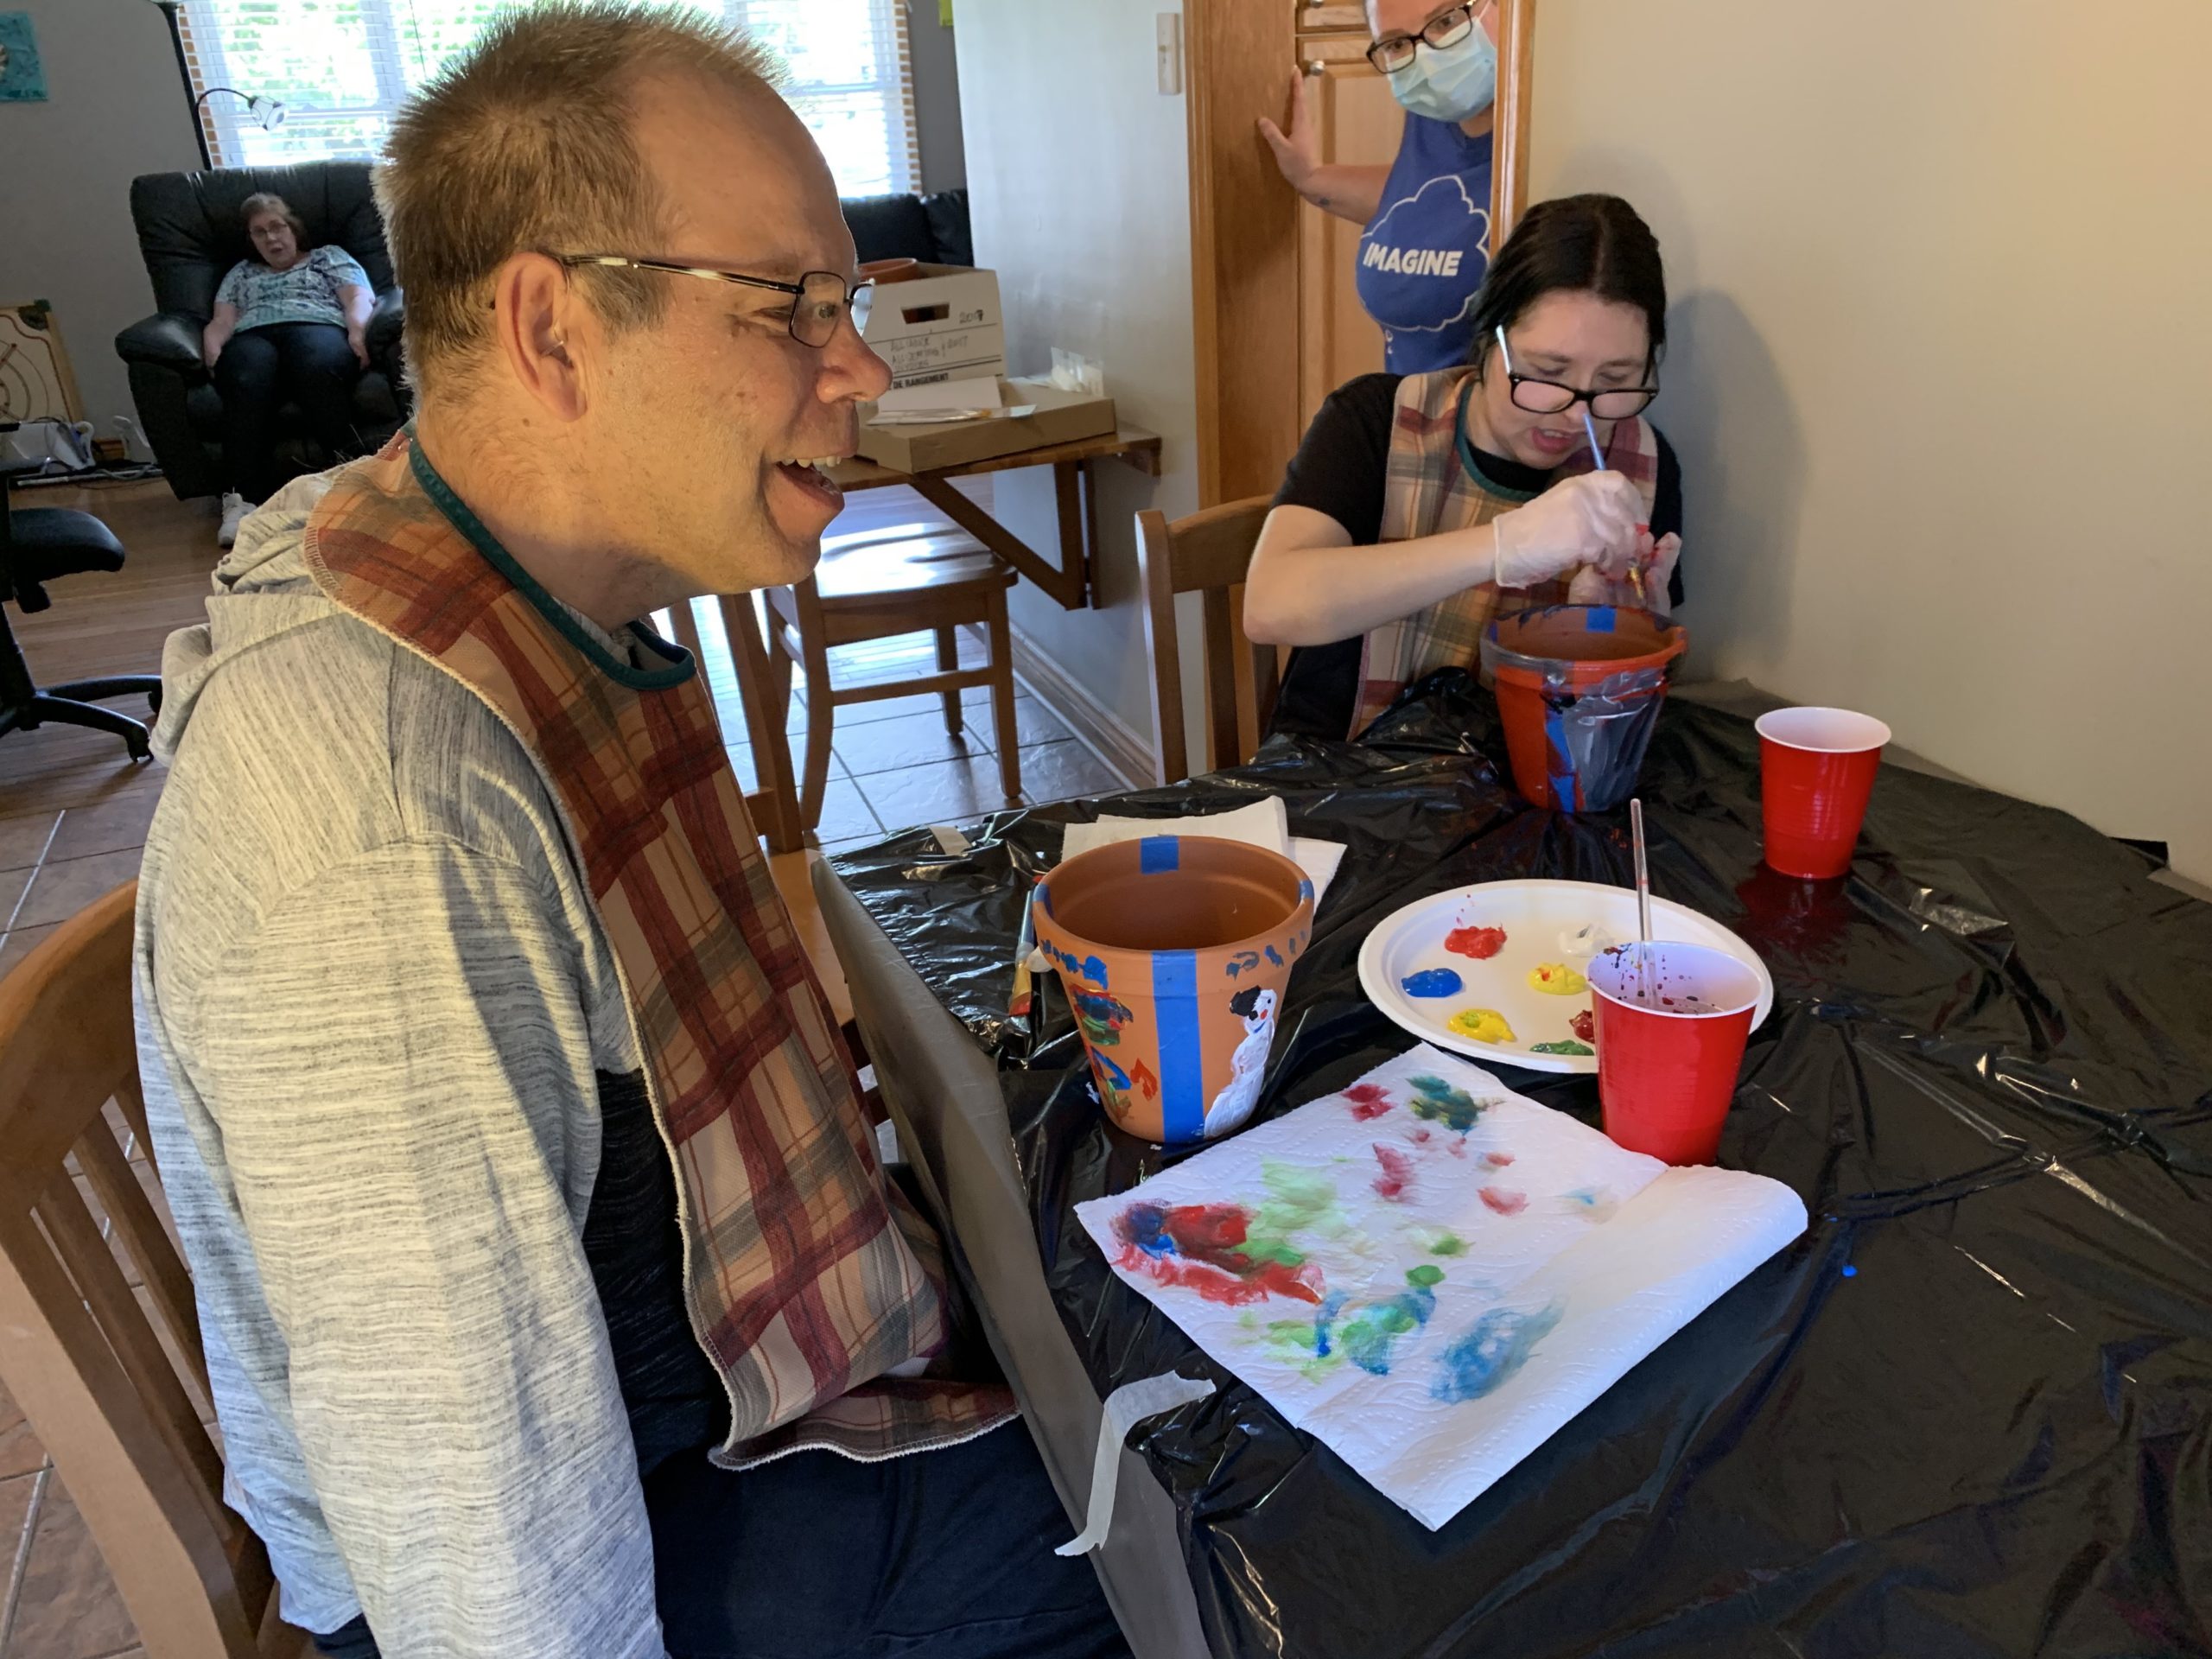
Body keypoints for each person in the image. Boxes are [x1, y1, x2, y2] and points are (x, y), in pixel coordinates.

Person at [134, 8, 1125, 1658]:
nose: (863, 368)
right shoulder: (383, 815)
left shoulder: (528, 582)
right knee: (1204, 1534)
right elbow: (482, 1558)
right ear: (554, 331)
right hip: (649, 1512)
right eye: (795, 304)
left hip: (701, 1383)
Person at [1243, 193, 1685, 741]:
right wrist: (1504, 545)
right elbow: (1271, 605)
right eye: (1547, 372)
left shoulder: (1642, 464)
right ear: (1490, 338)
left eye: (1616, 381)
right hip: (1342, 769)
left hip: (1519, 777)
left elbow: (1627, 718)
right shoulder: (1375, 419)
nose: (1577, 415)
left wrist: (1621, 632)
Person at [1260, 0, 1502, 372]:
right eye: (1396, 44)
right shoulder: (1433, 109)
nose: (1427, 56)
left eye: (1447, 21)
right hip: (1405, 403)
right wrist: (1310, 177)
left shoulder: (1547, 135)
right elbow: (1425, 199)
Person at [200, 192, 377, 548]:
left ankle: (350, 491)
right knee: (245, 377)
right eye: (259, 232)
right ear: (251, 239)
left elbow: (359, 297)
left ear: (293, 227)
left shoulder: (328, 257)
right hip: (253, 336)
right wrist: (214, 352)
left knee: (318, 367)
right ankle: (241, 502)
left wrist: (357, 331)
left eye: (277, 227)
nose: (271, 238)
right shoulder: (241, 273)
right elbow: (222, 321)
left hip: (316, 325)